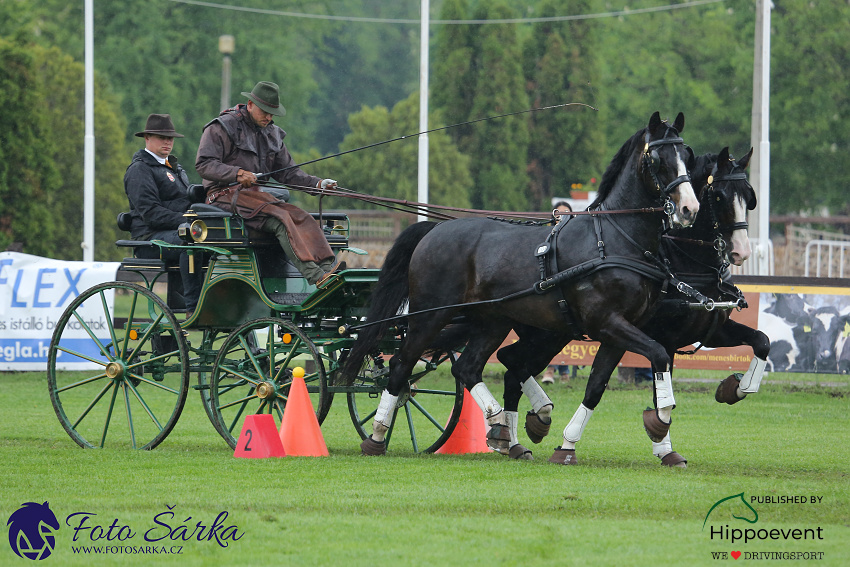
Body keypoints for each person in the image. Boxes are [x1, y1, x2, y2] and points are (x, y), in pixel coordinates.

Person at [195, 81, 343, 286]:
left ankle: (329, 268)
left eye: (272, 113)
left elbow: (289, 173)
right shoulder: (222, 127)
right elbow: (204, 164)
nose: (269, 117)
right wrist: (237, 174)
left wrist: (317, 184)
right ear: (250, 104)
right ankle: (316, 276)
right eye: (265, 112)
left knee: (302, 216)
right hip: (223, 195)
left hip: (257, 198)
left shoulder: (272, 134)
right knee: (281, 218)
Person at [124, 113, 201, 312]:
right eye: (161, 137)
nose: (167, 142)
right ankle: (194, 308)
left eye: (170, 138)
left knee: (215, 241)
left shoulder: (174, 168)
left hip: (174, 232)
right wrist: (188, 221)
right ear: (147, 138)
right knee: (190, 239)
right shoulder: (139, 170)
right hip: (149, 239)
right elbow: (151, 213)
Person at [541, 200, 577, 385]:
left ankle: (561, 371)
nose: (562, 217)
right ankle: (552, 371)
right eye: (559, 214)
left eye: (566, 214)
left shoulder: (577, 239)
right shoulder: (546, 236)